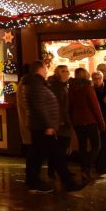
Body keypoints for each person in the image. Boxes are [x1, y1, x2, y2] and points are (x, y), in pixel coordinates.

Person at [24, 60, 83, 193]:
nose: (46, 71)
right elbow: (40, 107)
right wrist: (49, 125)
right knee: (55, 155)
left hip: (41, 126)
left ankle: (33, 182)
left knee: (38, 156)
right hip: (42, 127)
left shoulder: (36, 83)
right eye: (45, 68)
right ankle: (68, 183)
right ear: (39, 69)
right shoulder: (36, 84)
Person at [69, 67, 105, 183]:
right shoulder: (88, 88)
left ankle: (84, 170)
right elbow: (95, 107)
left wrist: (72, 120)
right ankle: (87, 169)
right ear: (86, 75)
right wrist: (101, 122)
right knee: (96, 145)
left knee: (82, 147)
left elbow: (70, 106)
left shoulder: (72, 88)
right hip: (90, 121)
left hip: (77, 122)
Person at [46, 65, 73, 180]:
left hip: (64, 119)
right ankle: (56, 171)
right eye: (63, 71)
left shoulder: (63, 85)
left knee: (62, 147)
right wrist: (60, 119)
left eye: (67, 71)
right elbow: (57, 104)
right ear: (58, 73)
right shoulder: (57, 86)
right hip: (60, 121)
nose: (66, 73)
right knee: (59, 147)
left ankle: (61, 170)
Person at [16, 64, 32, 153]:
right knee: (30, 144)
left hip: (27, 119)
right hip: (28, 120)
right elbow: (25, 104)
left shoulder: (23, 83)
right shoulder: (24, 85)